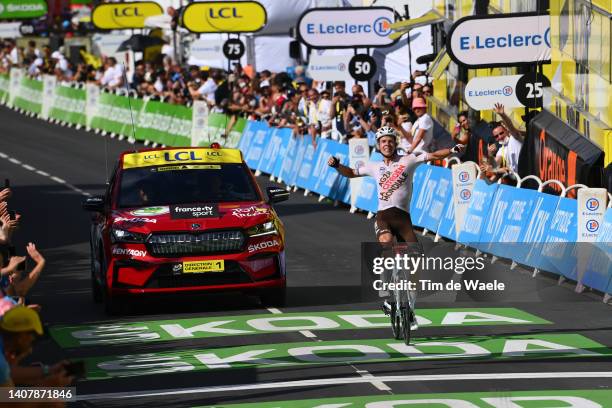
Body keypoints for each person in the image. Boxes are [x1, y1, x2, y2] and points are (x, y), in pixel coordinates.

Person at [327, 126, 464, 328]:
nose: (387, 144)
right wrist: (337, 166)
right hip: (384, 217)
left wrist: (452, 151)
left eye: (390, 141)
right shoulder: (373, 166)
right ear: (379, 145)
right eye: (383, 141)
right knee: (386, 242)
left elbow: (434, 155)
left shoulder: (408, 160)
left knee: (417, 262)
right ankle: (386, 294)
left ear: (395, 143)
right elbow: (351, 173)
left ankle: (410, 308)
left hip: (404, 220)